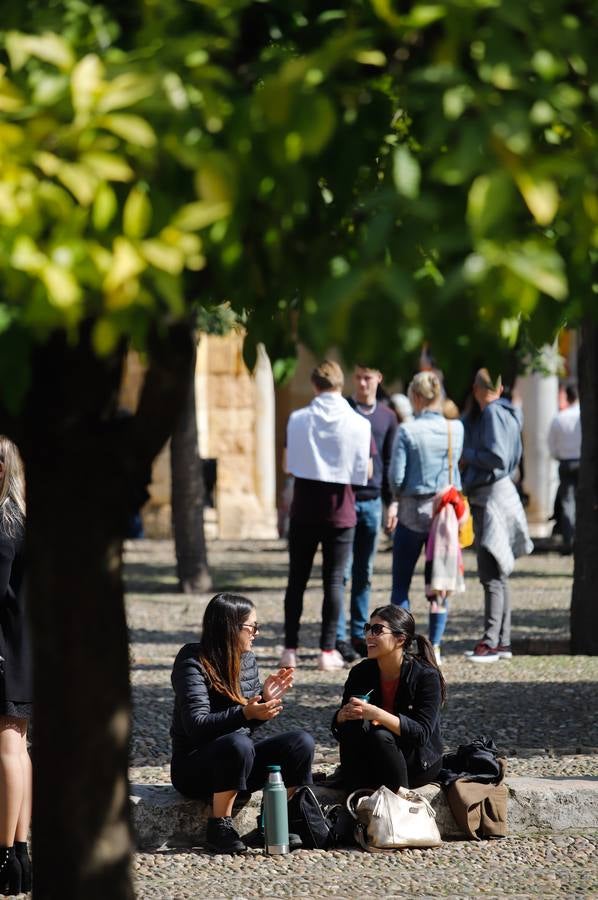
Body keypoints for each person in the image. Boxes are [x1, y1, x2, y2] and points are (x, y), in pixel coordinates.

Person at [170, 592, 315, 854]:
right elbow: (196, 726)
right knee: (238, 744)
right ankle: (219, 826)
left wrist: (263, 702)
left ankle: (277, 820)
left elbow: (243, 724)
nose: (256, 633)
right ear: (229, 627)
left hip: (236, 759)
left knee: (300, 742)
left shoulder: (247, 660)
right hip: (194, 767)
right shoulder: (191, 660)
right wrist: (247, 713)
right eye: (252, 627)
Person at [280, 360, 372, 671]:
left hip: (305, 506)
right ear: (341, 384)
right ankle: (326, 650)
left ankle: (289, 648)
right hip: (339, 509)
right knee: (334, 582)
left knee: (297, 580)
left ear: (315, 385)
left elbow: (287, 465)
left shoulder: (298, 419)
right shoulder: (358, 422)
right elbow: (367, 471)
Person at [388, 372, 464, 664]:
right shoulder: (455, 428)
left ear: (416, 397)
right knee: (440, 580)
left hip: (412, 509)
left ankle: (400, 643)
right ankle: (437, 645)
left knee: (401, 583)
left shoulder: (408, 431)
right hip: (442, 512)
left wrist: (398, 495)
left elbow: (396, 477)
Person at [331, 605, 444, 792]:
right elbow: (342, 732)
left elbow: (421, 734)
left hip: (417, 763)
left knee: (381, 736)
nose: (368, 636)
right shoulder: (361, 672)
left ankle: (399, 806)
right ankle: (352, 800)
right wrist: (340, 717)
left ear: (400, 639)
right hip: (374, 756)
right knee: (352, 726)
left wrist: (377, 714)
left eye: (377, 630)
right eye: (367, 628)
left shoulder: (425, 676)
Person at [461, 369, 533, 662]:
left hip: (491, 496)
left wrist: (468, 455)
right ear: (500, 387)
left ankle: (491, 642)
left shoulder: (491, 413)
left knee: (490, 574)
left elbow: (498, 457)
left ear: (477, 389)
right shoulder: (509, 412)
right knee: (499, 574)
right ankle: (501, 642)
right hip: (501, 493)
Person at [336, 365, 398, 662]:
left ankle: (361, 635)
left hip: (373, 501)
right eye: (358, 377)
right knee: (341, 572)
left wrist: (392, 502)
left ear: (378, 379)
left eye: (368, 377)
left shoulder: (387, 417)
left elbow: (388, 462)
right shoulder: (344, 410)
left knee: (365, 572)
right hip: (345, 499)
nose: (362, 383)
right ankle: (337, 636)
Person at [0, 437, 32, 895]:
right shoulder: (22, 519)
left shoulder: (4, 525)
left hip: (5, 642)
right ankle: (20, 852)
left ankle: (4, 852)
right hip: (25, 643)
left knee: (7, 743)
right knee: (20, 744)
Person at [547, 384, 581, 555]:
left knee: (567, 502)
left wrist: (558, 455)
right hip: (584, 462)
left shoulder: (559, 418)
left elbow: (551, 446)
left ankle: (570, 539)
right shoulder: (584, 417)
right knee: (585, 500)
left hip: (566, 463)